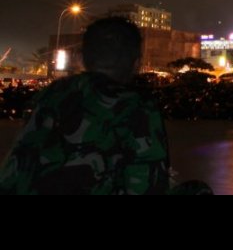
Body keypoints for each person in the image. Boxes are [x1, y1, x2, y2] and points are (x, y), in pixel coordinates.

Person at [0, 17, 170, 194]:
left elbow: (15, 167)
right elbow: (149, 182)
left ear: (81, 58)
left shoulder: (52, 94)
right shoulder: (136, 105)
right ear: (137, 63)